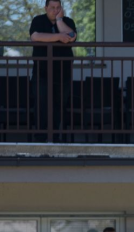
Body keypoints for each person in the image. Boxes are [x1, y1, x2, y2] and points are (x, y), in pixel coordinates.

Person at [29, 0, 76, 141]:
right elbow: (35, 36)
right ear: (46, 8)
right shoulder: (38, 20)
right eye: (52, 8)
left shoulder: (67, 21)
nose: (55, 10)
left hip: (63, 73)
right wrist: (59, 37)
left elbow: (72, 37)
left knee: (59, 106)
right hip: (42, 72)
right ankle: (40, 139)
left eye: (58, 8)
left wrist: (59, 20)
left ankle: (55, 138)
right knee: (41, 104)